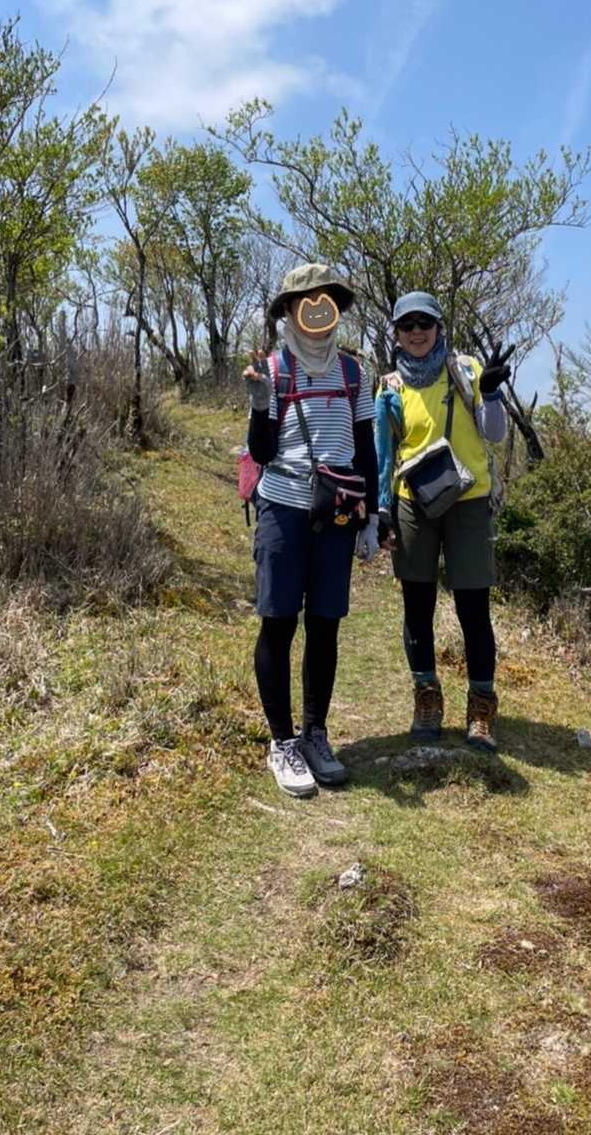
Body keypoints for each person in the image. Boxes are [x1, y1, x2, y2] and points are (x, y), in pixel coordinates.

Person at [243, 263, 378, 798]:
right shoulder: (274, 370)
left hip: (336, 514)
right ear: (289, 311)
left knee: (325, 624)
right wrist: (260, 406)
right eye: (307, 300)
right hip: (283, 507)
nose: (318, 310)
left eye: (327, 300)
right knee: (278, 623)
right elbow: (261, 452)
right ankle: (282, 742)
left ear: (335, 310)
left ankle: (315, 734)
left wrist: (372, 517)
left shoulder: (353, 373)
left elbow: (366, 450)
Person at [374, 292, 513, 751]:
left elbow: (494, 433)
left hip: (469, 500)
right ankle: (427, 698)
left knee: (473, 607)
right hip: (412, 502)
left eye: (425, 323)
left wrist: (491, 392)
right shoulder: (390, 386)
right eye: (407, 324)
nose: (417, 332)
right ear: (396, 333)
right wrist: (382, 511)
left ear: (439, 327)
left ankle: (481, 707)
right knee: (417, 605)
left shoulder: (466, 370)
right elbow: (384, 454)